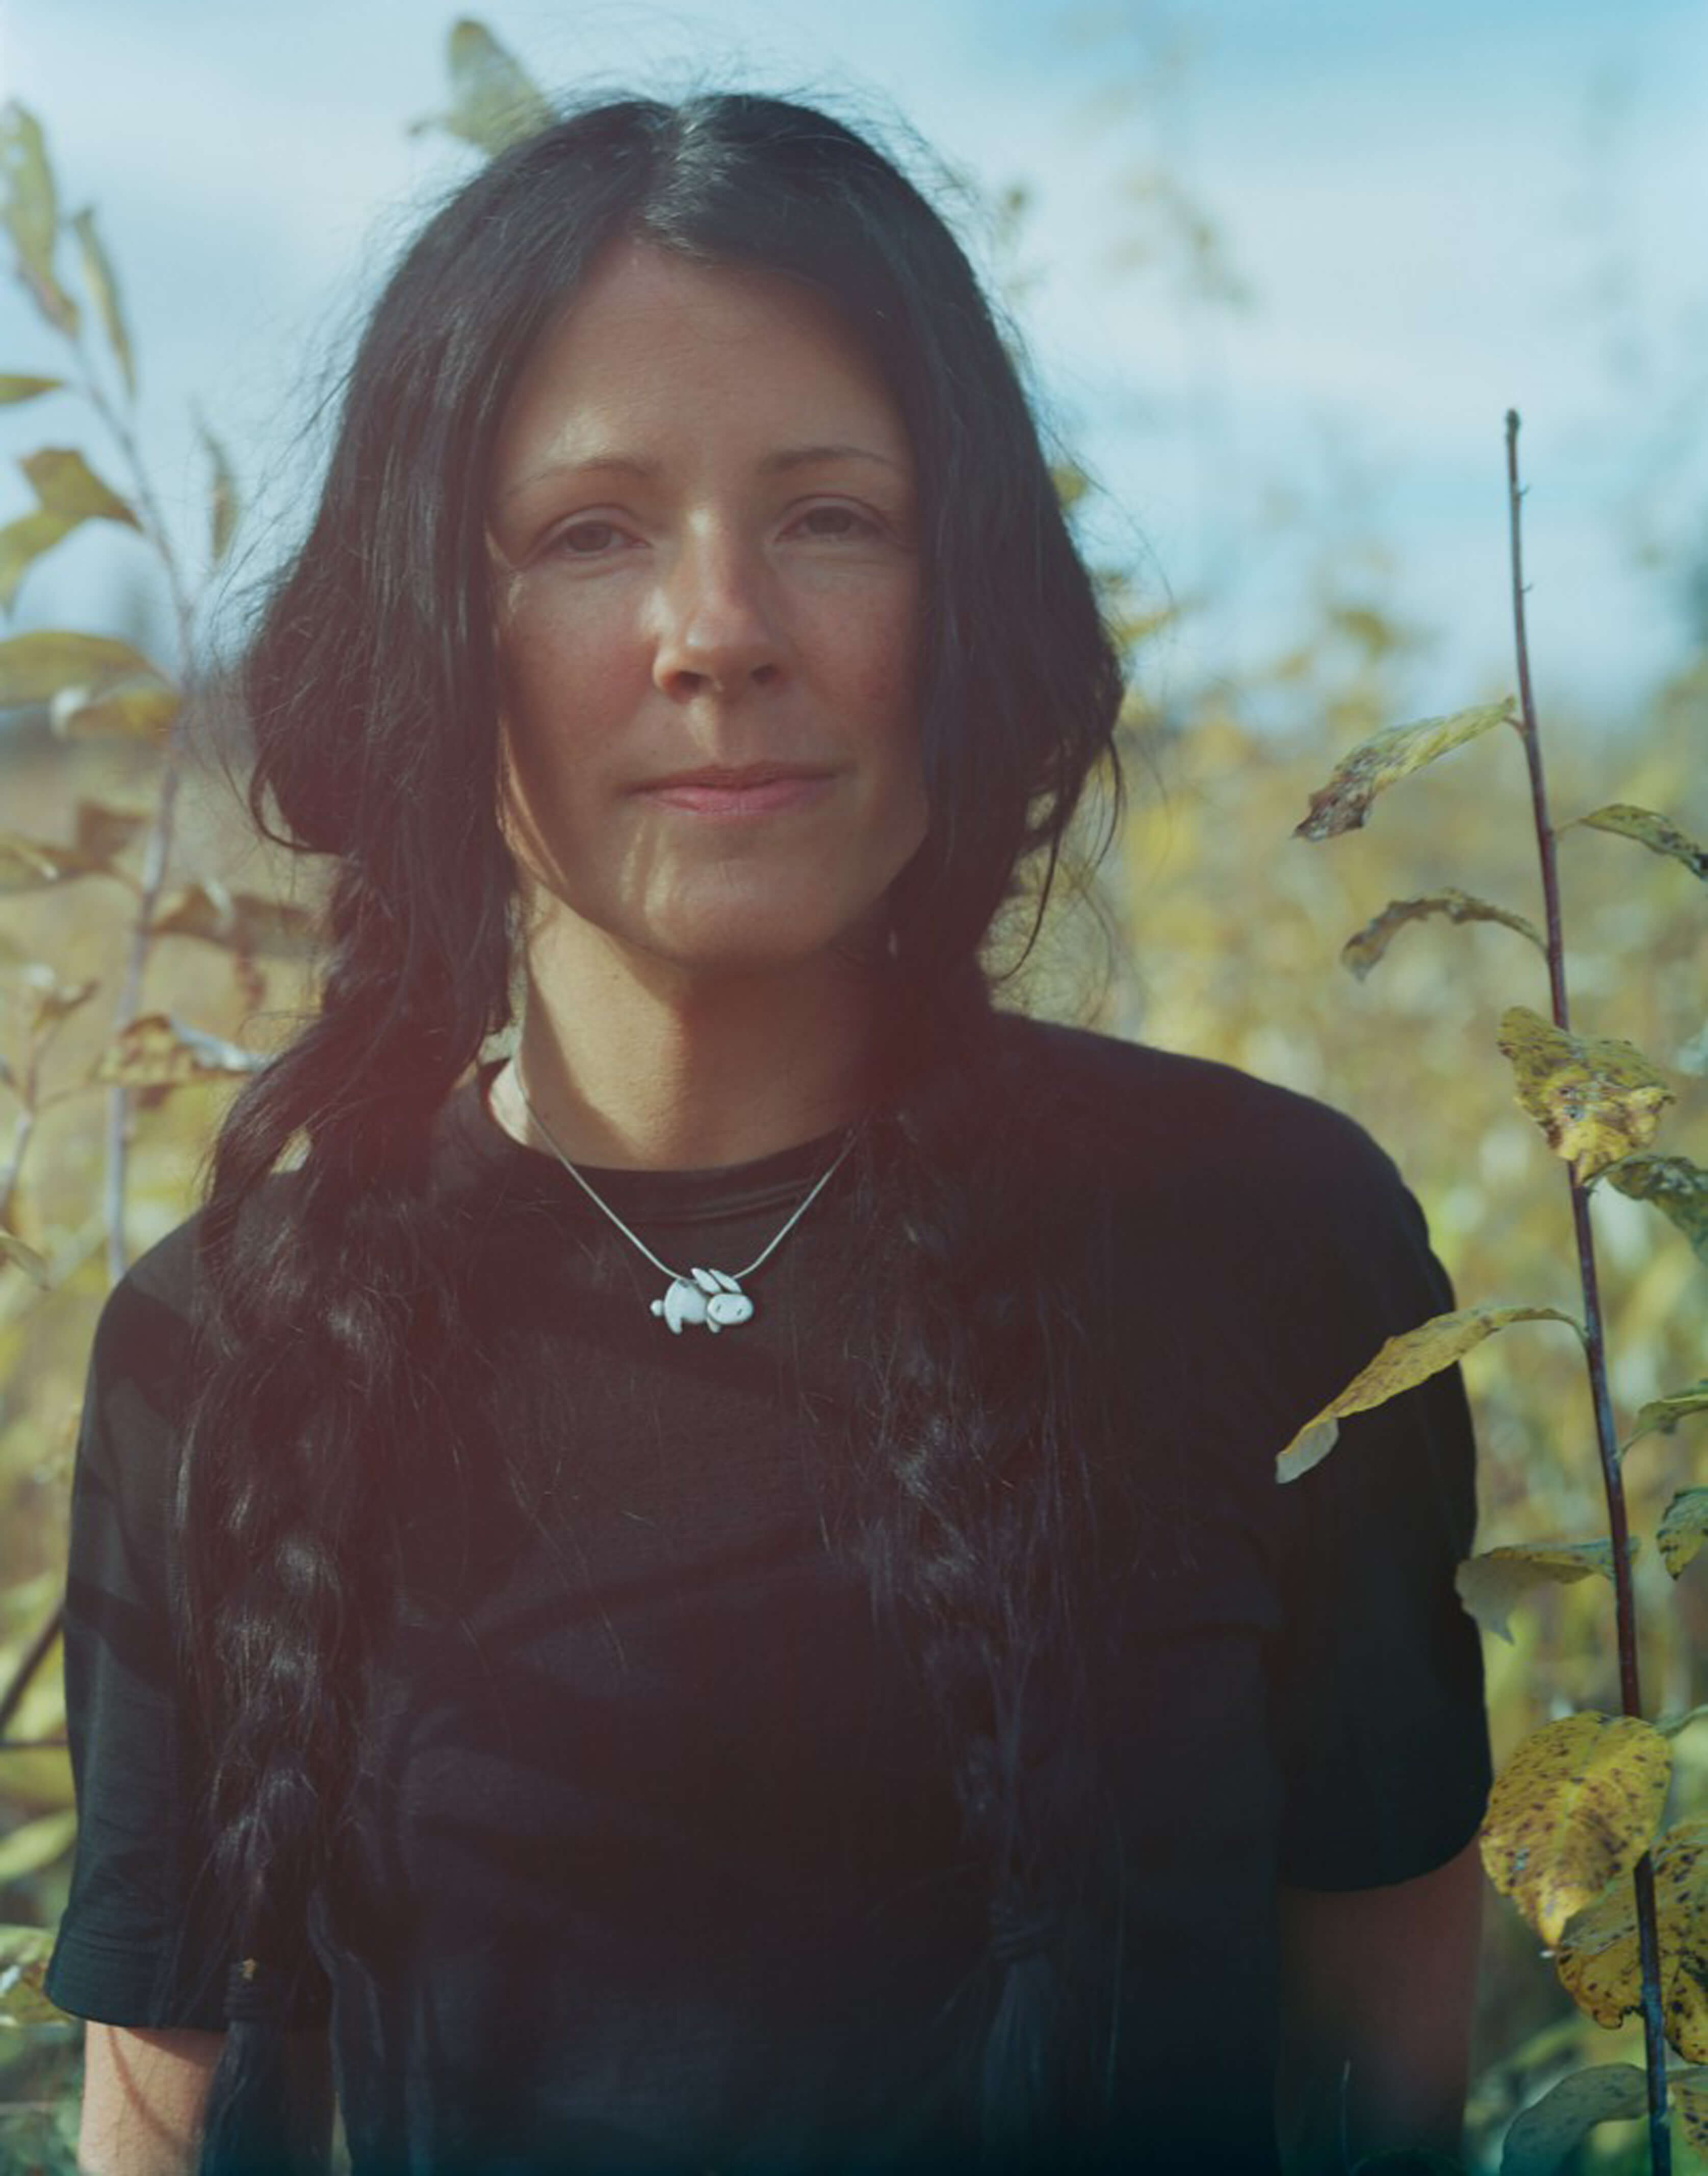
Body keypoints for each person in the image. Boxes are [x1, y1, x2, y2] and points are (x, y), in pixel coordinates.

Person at [43, 90, 1492, 2176]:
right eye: (588, 532)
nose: (719, 631)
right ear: (435, 641)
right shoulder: (229, 1346)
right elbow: (165, 2135)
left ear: (967, 597)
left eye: (833, 516)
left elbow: (1383, 2100)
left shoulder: (1268, 1245)